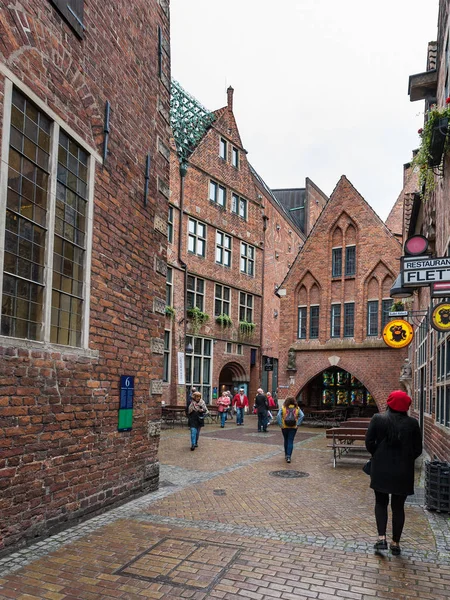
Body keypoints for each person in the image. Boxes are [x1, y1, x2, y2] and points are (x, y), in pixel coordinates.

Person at [365, 390, 422, 555]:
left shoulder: (378, 419)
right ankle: (395, 543)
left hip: (381, 469)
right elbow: (417, 449)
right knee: (398, 507)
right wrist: (406, 459)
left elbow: (369, 441)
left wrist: (377, 455)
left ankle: (381, 538)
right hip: (403, 472)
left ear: (389, 404)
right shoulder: (412, 423)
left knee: (380, 502)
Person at [277, 397, 304, 462]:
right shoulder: (297, 408)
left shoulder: (283, 407)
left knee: (286, 440)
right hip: (293, 427)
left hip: (284, 426)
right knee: (290, 440)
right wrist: (298, 424)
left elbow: (278, 415)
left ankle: (286, 454)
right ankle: (289, 456)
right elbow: (302, 415)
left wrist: (281, 424)